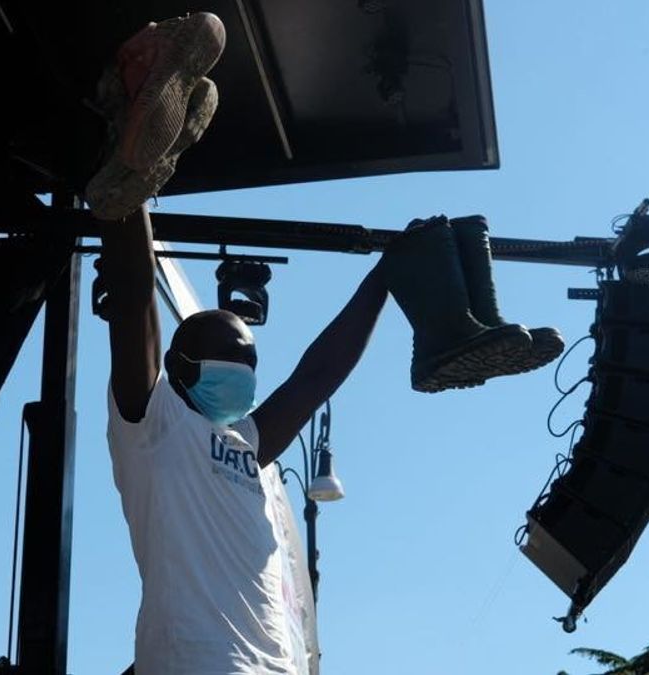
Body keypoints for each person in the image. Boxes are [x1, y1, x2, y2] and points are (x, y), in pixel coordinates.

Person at [88, 13, 387, 673]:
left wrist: (385, 276)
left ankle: (135, 131)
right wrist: (128, 197)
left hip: (272, 664)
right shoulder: (153, 418)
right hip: (205, 663)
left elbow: (317, 376)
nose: (243, 370)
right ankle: (130, 133)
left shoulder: (246, 441)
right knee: (123, 194)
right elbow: (135, 300)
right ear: (179, 365)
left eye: (249, 360)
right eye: (228, 356)